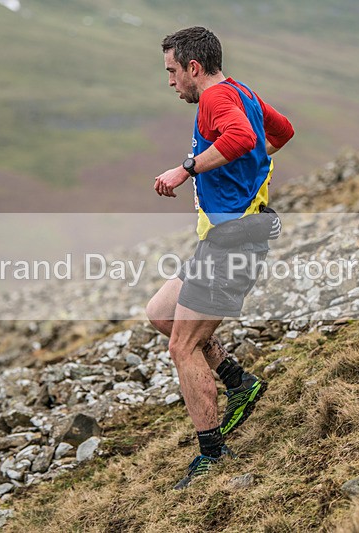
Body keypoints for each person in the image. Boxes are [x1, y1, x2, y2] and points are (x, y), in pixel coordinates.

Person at [146, 26, 294, 489]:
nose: (170, 82)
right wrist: (245, 166)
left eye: (172, 72)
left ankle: (212, 452)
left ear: (194, 67)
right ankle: (238, 380)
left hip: (234, 243)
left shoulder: (214, 100)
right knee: (160, 314)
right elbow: (281, 132)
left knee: (181, 347)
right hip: (221, 240)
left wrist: (185, 168)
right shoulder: (240, 90)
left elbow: (241, 138)